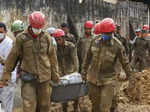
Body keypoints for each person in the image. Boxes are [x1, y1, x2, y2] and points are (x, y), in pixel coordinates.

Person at [0, 11, 60, 112]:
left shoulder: (47, 38)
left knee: (44, 105)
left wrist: (55, 75)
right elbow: (12, 57)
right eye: (36, 27)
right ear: (31, 25)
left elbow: (52, 58)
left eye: (40, 27)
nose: (38, 30)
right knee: (29, 106)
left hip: (44, 78)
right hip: (28, 78)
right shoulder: (21, 38)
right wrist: (6, 74)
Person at [81, 18, 132, 112]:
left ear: (112, 32)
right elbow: (87, 58)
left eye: (107, 33)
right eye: (103, 33)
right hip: (93, 78)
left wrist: (131, 78)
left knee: (104, 108)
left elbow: (125, 62)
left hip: (108, 80)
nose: (104, 35)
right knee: (95, 107)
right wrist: (83, 73)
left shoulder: (118, 46)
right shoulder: (94, 41)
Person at [53, 29, 79, 112]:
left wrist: (76, 73)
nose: (58, 41)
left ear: (64, 38)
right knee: (63, 94)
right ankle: (64, 108)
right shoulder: (54, 48)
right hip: (61, 73)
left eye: (59, 39)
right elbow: (54, 61)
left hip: (71, 72)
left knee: (75, 92)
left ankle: (75, 107)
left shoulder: (71, 46)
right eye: (56, 40)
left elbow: (75, 60)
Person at [0, 22, 16, 112]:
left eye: (1, 32)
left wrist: (3, 81)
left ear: (5, 31)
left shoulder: (10, 44)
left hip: (7, 79)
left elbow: (10, 65)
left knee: (6, 106)